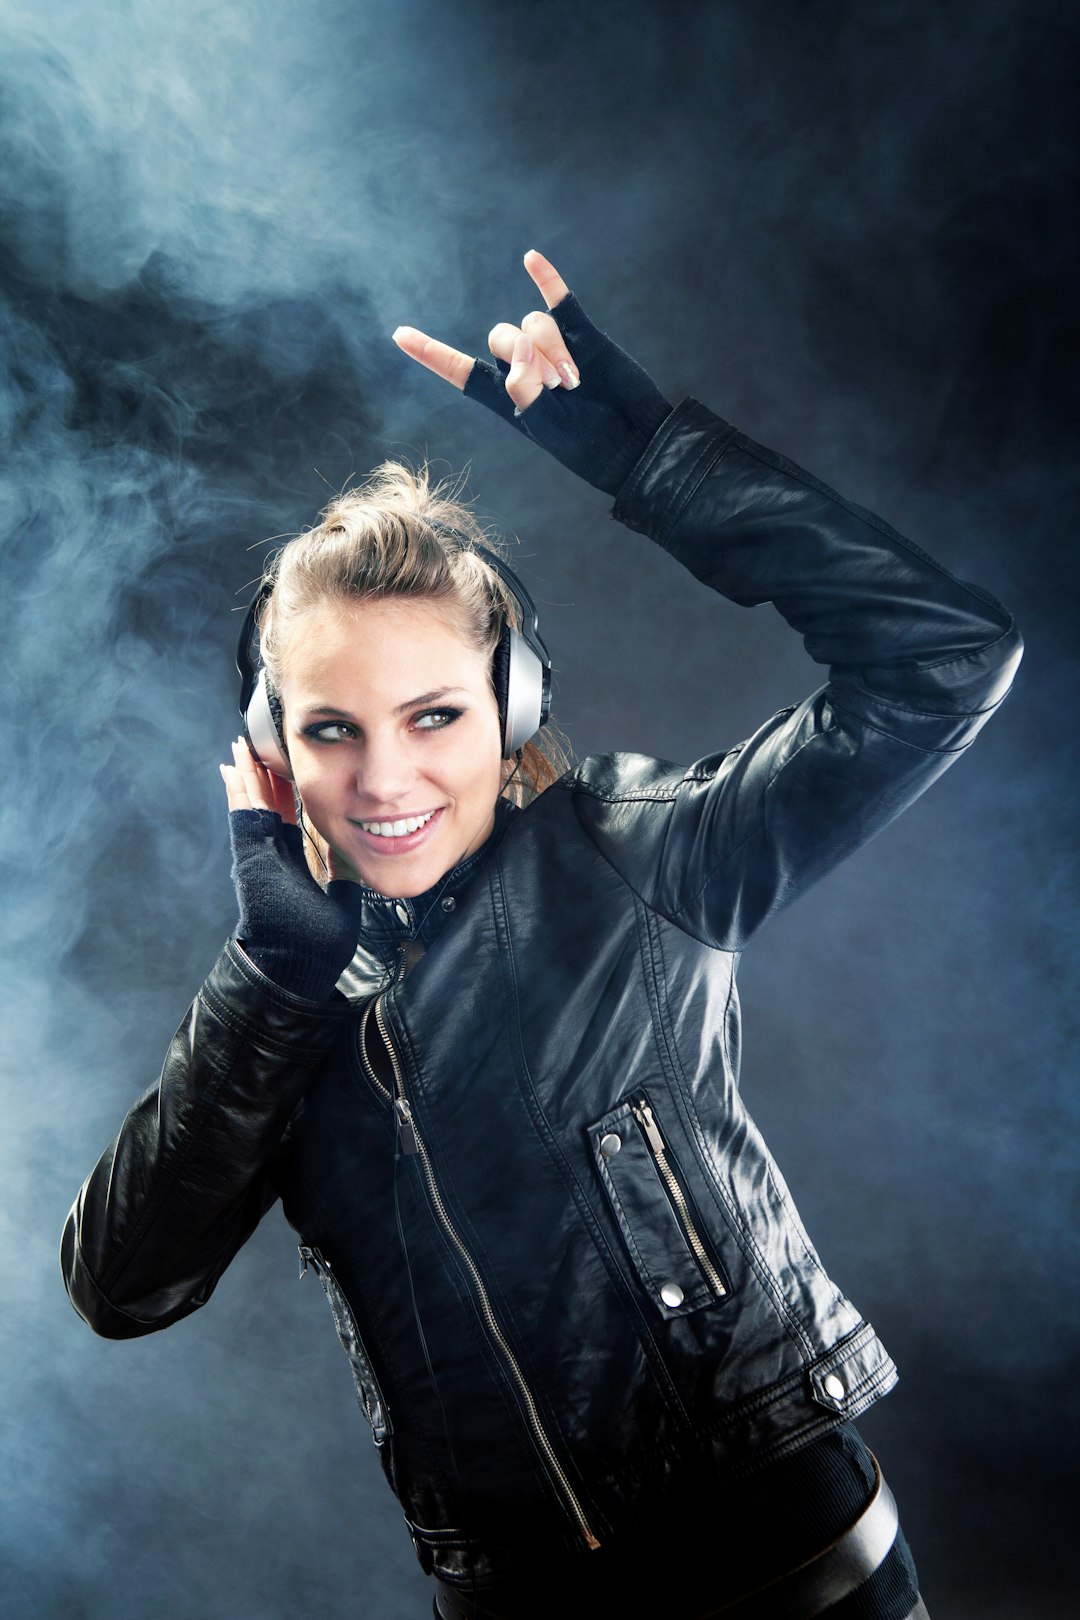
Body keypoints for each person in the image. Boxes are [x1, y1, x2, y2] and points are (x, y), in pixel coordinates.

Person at [61, 250, 1021, 1619]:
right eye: (333, 729)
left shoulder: (639, 857)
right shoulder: (276, 1009)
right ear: (271, 756)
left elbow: (947, 660)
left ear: (510, 707)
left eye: (434, 716)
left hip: (794, 1577)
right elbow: (121, 1283)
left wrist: (652, 458)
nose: (385, 781)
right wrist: (271, 978)